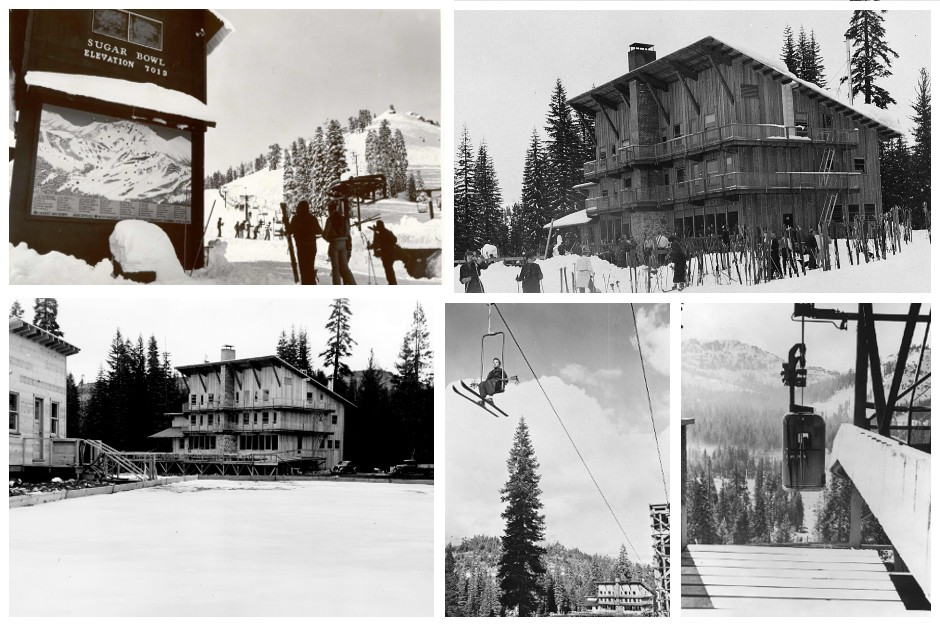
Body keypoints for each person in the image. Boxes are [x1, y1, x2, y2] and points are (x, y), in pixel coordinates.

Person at [287, 200, 322, 285]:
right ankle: (312, 283)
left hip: (301, 246)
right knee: (310, 267)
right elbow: (319, 231)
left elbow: (289, 231)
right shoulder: (312, 218)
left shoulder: (296, 218)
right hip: (312, 246)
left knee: (303, 269)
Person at [322, 200, 357, 285]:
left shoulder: (330, 219)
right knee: (345, 267)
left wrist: (329, 239)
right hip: (343, 244)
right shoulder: (343, 219)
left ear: (330, 210)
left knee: (335, 268)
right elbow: (348, 233)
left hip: (334, 244)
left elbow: (325, 234)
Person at [368, 220, 398, 285]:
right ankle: (392, 282)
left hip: (386, 255)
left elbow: (375, 243)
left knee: (388, 270)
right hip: (392, 254)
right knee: (390, 269)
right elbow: (395, 239)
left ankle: (392, 283)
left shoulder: (380, 233)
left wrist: (370, 247)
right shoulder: (387, 231)